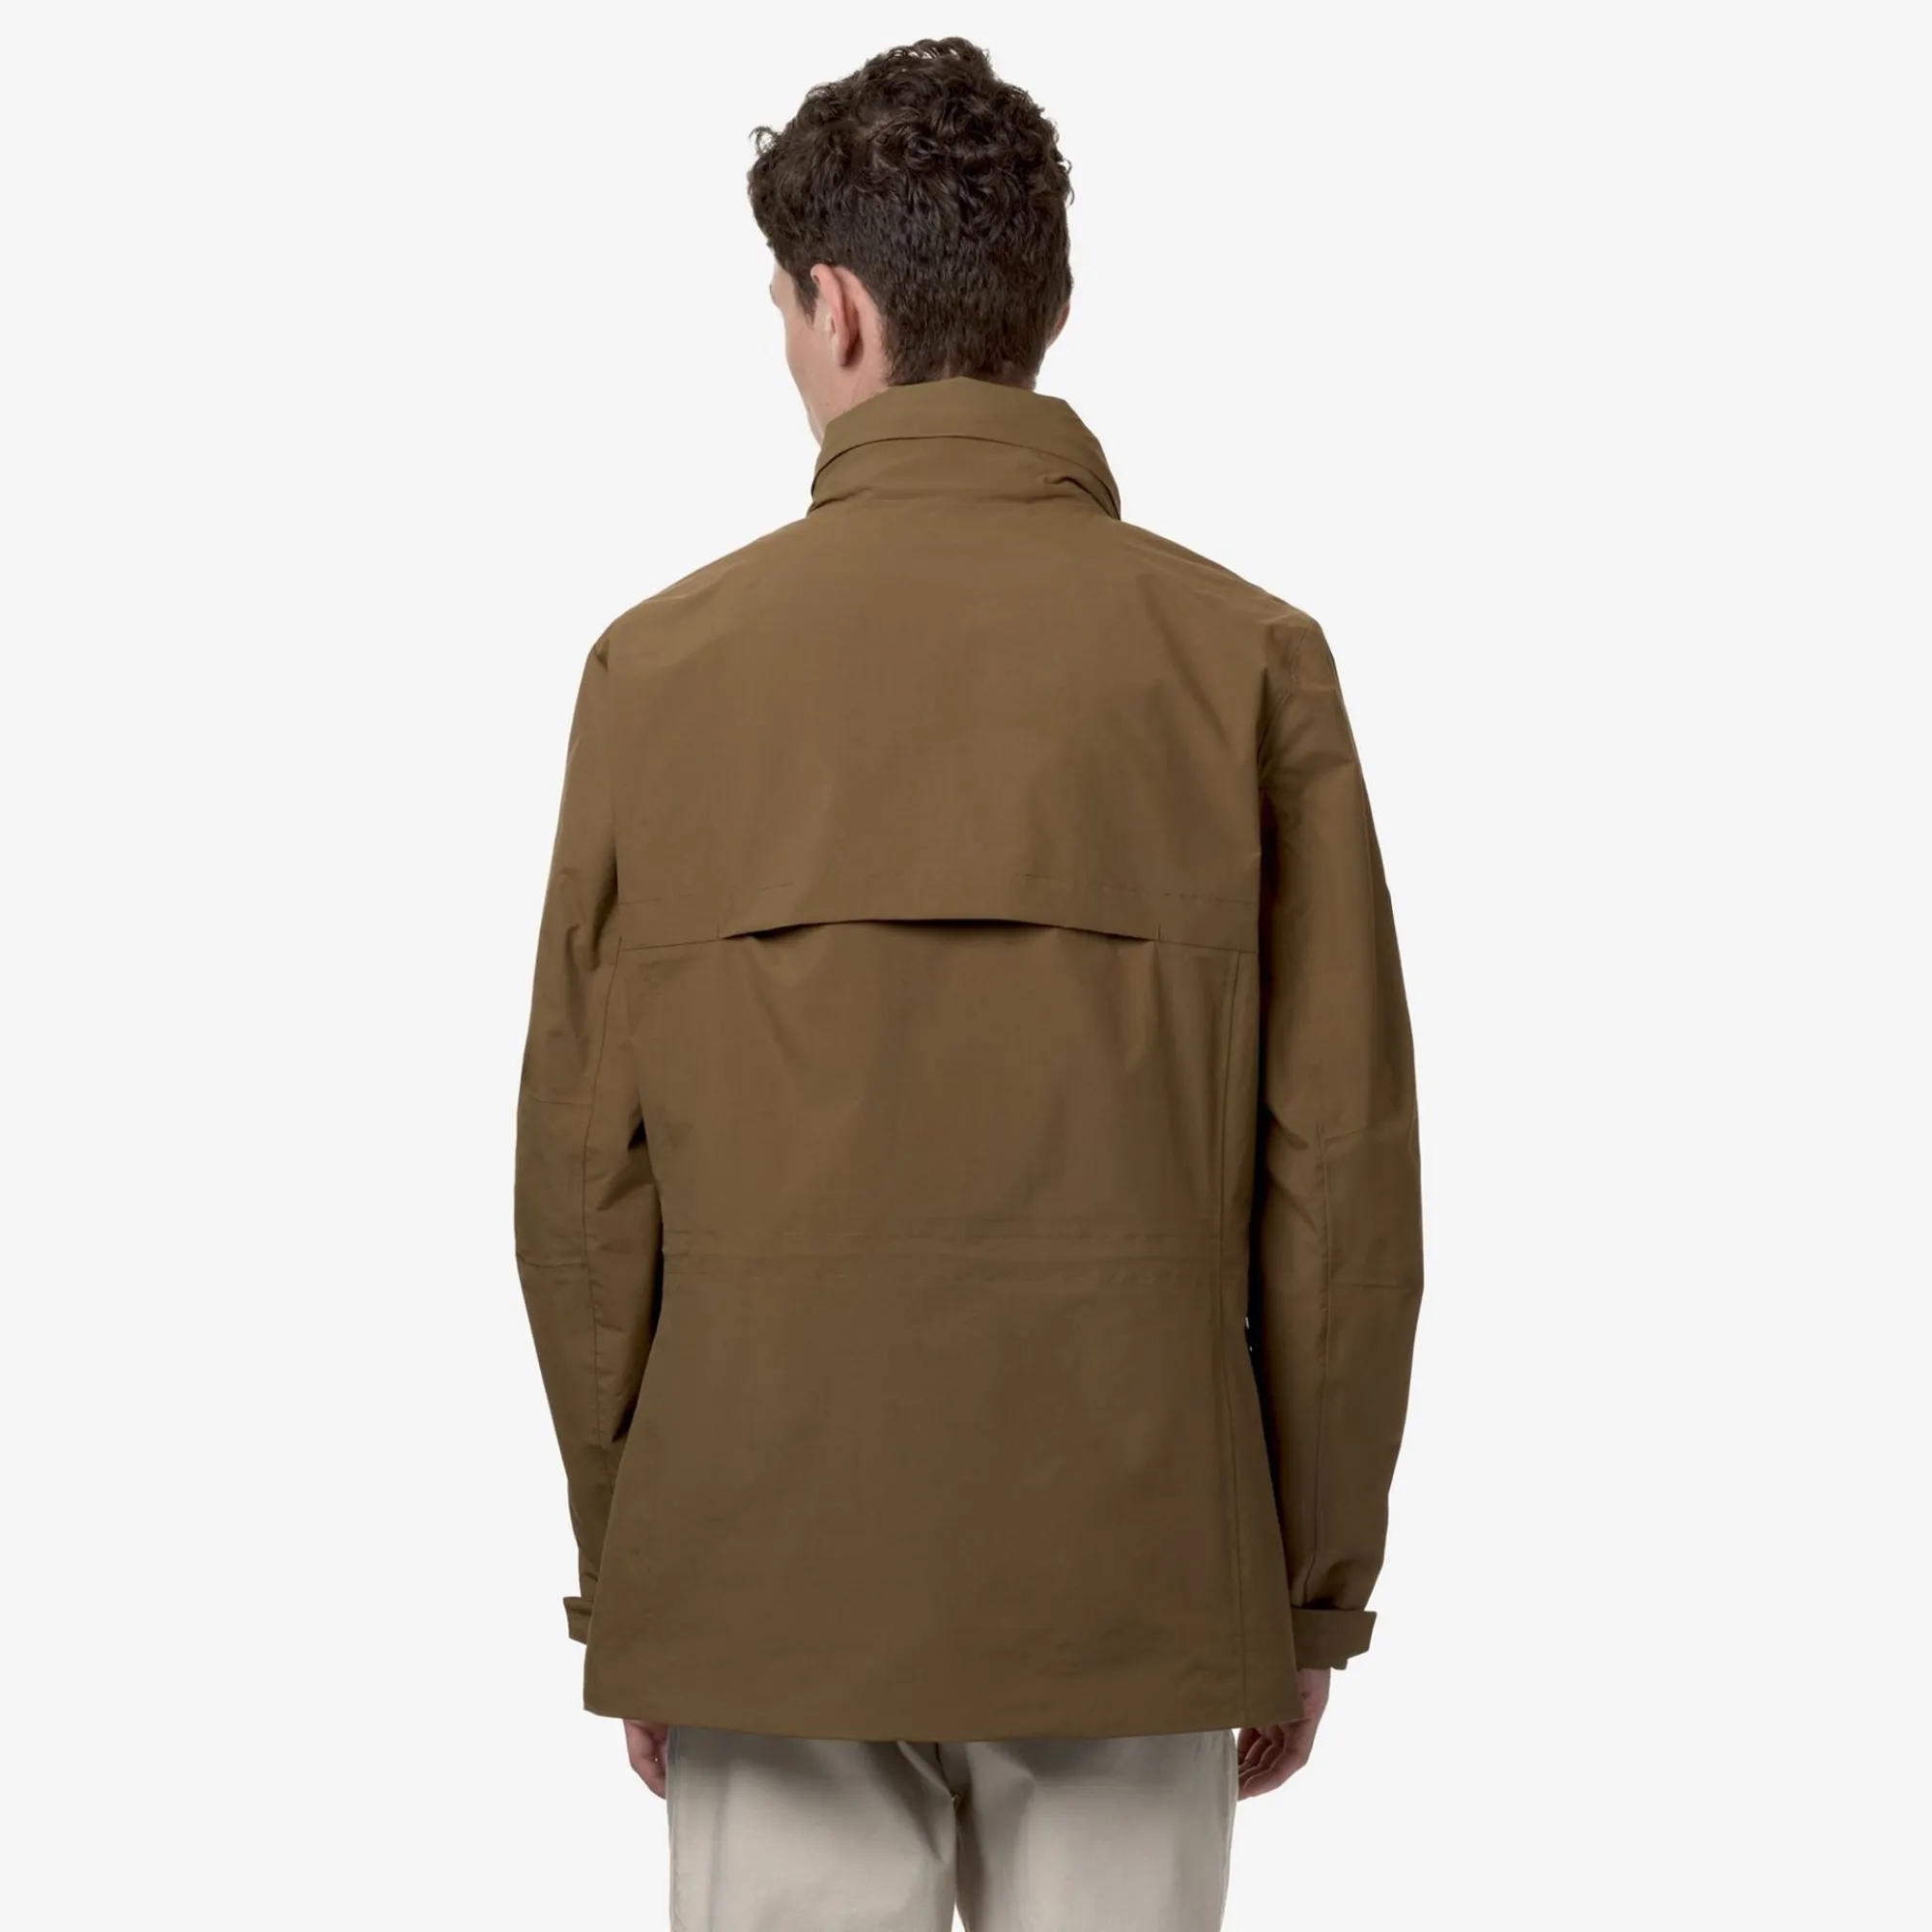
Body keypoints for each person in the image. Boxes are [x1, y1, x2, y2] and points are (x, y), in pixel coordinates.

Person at [513, 35, 1424, 1932]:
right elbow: (1339, 1182)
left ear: (835, 307)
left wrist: (640, 1569)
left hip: (758, 1566)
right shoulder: (1247, 660)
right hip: (1140, 1572)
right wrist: (1305, 1587)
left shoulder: (654, 672)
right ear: (1044, 311)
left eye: (780, 307)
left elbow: (586, 1186)